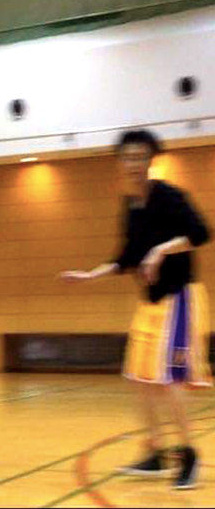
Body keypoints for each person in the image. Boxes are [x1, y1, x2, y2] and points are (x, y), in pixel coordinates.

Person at [60, 129, 210, 490]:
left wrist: (161, 251)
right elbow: (125, 257)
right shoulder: (130, 207)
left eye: (140, 156)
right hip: (150, 304)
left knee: (170, 380)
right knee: (139, 379)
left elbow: (201, 232)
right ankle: (157, 451)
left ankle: (188, 455)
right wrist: (89, 276)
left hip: (178, 298)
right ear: (120, 162)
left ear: (150, 160)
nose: (133, 163)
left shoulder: (169, 197)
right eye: (127, 157)